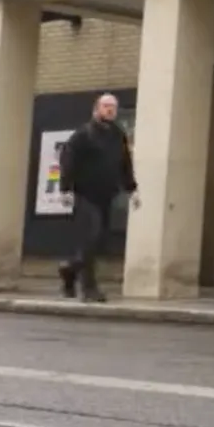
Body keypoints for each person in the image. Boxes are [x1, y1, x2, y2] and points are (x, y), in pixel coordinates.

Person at [58, 93, 137, 303]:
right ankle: (89, 288)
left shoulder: (117, 135)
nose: (110, 110)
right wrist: (66, 189)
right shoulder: (84, 134)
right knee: (90, 239)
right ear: (96, 109)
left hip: (107, 194)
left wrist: (131, 188)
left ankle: (70, 270)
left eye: (113, 107)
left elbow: (125, 163)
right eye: (106, 106)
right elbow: (68, 159)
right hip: (85, 194)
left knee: (99, 241)